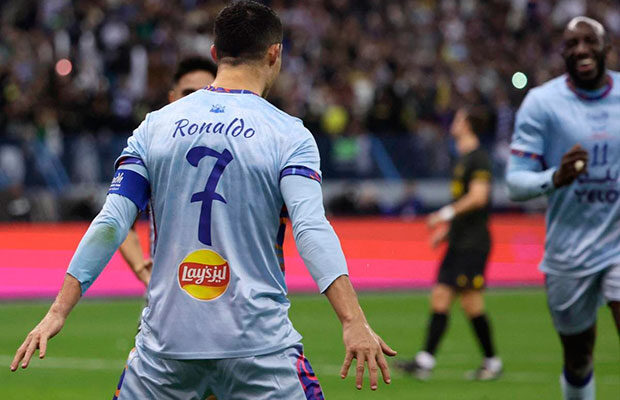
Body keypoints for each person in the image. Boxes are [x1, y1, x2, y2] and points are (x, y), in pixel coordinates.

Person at [10, 2, 396, 399]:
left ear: (215, 53)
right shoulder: (289, 135)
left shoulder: (154, 127)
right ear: (274, 53)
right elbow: (310, 228)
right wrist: (352, 320)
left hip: (165, 350)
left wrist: (58, 311)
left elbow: (111, 223)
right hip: (258, 347)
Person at [506, 16, 620, 400]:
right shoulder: (542, 103)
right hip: (569, 249)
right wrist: (555, 177)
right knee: (578, 358)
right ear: (562, 53)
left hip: (618, 241)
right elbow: (515, 182)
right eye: (572, 44)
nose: (582, 49)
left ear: (607, 48)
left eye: (590, 41)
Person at [394, 106, 502, 380]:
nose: (454, 122)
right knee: (440, 297)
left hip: (472, 244)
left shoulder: (478, 159)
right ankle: (425, 361)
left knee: (471, 303)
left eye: (458, 118)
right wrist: (447, 231)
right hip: (459, 240)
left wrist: (445, 214)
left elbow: (478, 197)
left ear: (468, 125)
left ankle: (492, 362)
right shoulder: (463, 159)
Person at [118, 56, 218, 287]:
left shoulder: (240, 151)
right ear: (172, 98)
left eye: (205, 93)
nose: (196, 101)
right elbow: (119, 218)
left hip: (228, 293)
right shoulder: (153, 149)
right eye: (188, 93)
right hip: (168, 294)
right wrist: (141, 270)